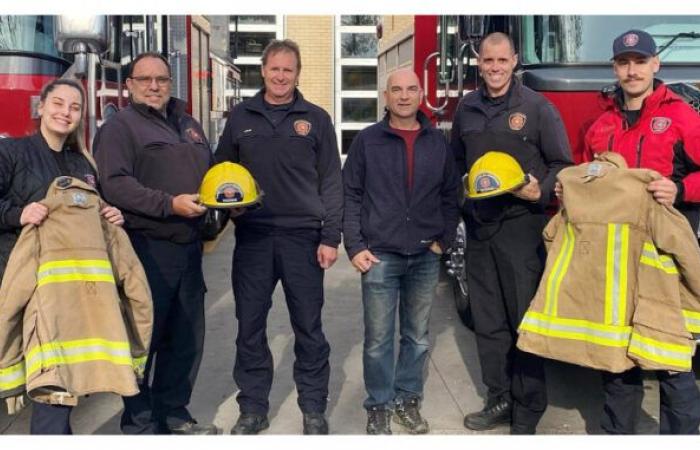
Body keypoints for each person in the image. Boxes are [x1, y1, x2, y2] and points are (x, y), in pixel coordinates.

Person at [215, 39, 342, 435]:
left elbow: (332, 183)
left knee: (308, 326)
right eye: (275, 69)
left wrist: (330, 237)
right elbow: (220, 172)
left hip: (303, 239)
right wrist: (227, 206)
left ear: (297, 73)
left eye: (288, 70)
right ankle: (252, 408)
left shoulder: (316, 119)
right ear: (263, 71)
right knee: (249, 325)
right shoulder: (240, 117)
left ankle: (313, 407)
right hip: (253, 238)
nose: (281, 76)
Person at [450, 32, 573, 434]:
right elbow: (454, 165)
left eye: (502, 61)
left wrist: (540, 189)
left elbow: (561, 163)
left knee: (524, 320)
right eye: (488, 61)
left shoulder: (537, 108)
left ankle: (528, 408)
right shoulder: (466, 108)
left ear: (514, 61)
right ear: (479, 63)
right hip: (480, 228)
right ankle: (498, 397)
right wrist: (459, 208)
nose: (495, 68)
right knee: (487, 322)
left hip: (522, 229)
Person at [581, 28, 700, 435]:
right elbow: (587, 177)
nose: (632, 71)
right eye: (624, 63)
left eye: (640, 62)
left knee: (670, 357)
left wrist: (682, 188)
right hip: (614, 261)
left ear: (655, 65)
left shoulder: (682, 115)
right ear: (615, 68)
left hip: (664, 260)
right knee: (618, 361)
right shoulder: (601, 125)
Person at [93, 52, 217, 435]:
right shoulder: (120, 129)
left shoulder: (189, 123)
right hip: (145, 248)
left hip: (189, 248)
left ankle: (175, 414)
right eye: (144, 79)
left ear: (170, 82)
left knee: (185, 337)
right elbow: (114, 184)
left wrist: (227, 204)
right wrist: (168, 204)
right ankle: (140, 422)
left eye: (161, 79)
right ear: (129, 84)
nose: (154, 86)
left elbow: (210, 174)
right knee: (144, 337)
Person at [0, 78, 130, 434]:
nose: (65, 112)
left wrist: (109, 216)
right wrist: (17, 214)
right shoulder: (12, 153)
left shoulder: (82, 165)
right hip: (31, 287)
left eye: (74, 107)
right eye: (58, 103)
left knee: (61, 387)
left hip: (73, 294)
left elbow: (89, 214)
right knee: (54, 387)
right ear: (40, 107)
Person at [343, 69, 460, 435]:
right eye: (397, 90)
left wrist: (443, 240)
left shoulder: (437, 142)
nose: (405, 96)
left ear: (421, 94)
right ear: (386, 96)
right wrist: (355, 246)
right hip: (380, 256)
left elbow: (451, 195)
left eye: (412, 89)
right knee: (378, 339)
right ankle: (378, 404)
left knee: (417, 335)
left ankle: (407, 399)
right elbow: (351, 195)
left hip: (425, 255)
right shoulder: (367, 141)